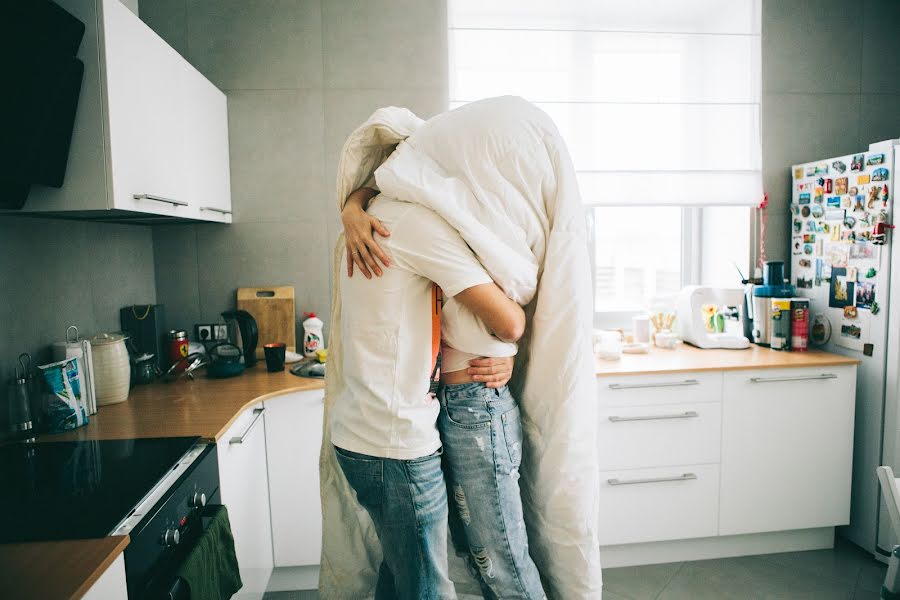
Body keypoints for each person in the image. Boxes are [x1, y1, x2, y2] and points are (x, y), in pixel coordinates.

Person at [342, 187, 547, 600]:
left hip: (372, 430)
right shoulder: (413, 224)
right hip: (396, 439)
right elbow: (509, 322)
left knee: (405, 575)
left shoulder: (368, 220)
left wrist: (351, 205)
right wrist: (506, 345)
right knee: (433, 584)